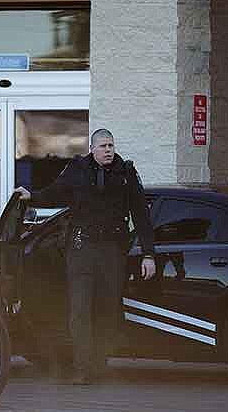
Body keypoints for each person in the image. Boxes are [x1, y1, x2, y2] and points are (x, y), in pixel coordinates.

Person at [14, 128, 156, 385]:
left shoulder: (126, 173)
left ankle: (99, 363)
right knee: (80, 310)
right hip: (82, 250)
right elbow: (54, 192)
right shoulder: (77, 170)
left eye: (111, 145)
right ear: (93, 148)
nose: (108, 150)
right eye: (103, 146)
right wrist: (31, 196)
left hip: (111, 250)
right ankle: (81, 368)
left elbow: (141, 215)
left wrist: (149, 254)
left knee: (107, 309)